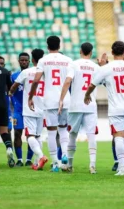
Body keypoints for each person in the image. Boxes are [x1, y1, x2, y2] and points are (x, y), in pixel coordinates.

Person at [85, 41, 124, 176]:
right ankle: (123, 166)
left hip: (115, 109)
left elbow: (92, 84)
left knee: (118, 136)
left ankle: (122, 167)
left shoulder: (106, 68)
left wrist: (87, 95)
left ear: (112, 53)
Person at [28, 36, 72, 172]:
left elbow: (36, 81)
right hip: (64, 99)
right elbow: (69, 81)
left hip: (50, 100)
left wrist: (31, 96)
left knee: (51, 132)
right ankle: (64, 154)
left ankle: (55, 163)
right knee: (63, 129)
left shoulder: (43, 60)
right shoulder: (68, 60)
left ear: (47, 46)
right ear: (59, 45)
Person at [58, 42, 101, 174]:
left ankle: (69, 165)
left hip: (76, 104)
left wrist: (61, 99)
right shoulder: (96, 67)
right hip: (91, 104)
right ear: (91, 52)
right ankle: (92, 165)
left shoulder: (74, 64)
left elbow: (67, 81)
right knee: (91, 135)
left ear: (80, 51)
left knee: (72, 134)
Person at [9, 49, 48, 171]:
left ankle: (40, 157)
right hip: (42, 108)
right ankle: (36, 162)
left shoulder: (26, 72)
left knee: (29, 135)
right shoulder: (46, 72)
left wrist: (10, 92)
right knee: (37, 136)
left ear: (32, 60)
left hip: (29, 108)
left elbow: (14, 87)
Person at [10, 52, 33, 167]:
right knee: (17, 133)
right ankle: (19, 159)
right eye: (22, 60)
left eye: (26, 60)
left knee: (31, 135)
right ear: (19, 61)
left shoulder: (33, 75)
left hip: (31, 109)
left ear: (29, 62)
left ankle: (29, 159)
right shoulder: (13, 76)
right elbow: (9, 91)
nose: (24, 62)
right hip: (17, 111)